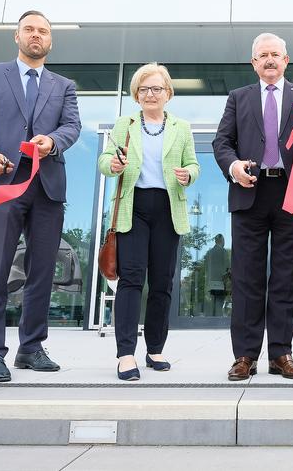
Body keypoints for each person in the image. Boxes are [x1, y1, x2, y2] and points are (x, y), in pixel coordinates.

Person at [0, 10, 81, 382]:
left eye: (43, 31)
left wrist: (54, 142)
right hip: (2, 185)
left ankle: (31, 347)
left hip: (47, 189)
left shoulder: (64, 85)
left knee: (41, 272)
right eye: (29, 29)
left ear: (50, 40)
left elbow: (71, 126)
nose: (36, 35)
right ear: (17, 36)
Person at [213, 32, 293, 381]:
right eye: (262, 55)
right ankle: (245, 355)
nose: (269, 60)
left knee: (287, 275)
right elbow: (222, 141)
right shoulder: (238, 98)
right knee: (246, 276)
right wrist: (233, 167)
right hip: (250, 191)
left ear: (286, 60)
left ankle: (281, 353)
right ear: (253, 62)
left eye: (275, 54)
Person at [98, 63, 199, 381]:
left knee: (162, 282)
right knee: (130, 279)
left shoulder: (181, 127)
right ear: (136, 94)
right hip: (134, 208)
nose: (150, 94)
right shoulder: (124, 124)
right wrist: (112, 164)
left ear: (168, 93)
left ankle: (155, 349)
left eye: (157, 88)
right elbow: (104, 161)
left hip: (168, 209)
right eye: (144, 89)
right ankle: (125, 354)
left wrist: (188, 174)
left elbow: (193, 164)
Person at [204, 234, 230, 316]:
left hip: (211, 283)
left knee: (212, 304)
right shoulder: (223, 252)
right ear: (222, 241)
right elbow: (227, 268)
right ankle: (218, 323)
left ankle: (211, 321)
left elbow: (206, 268)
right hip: (221, 283)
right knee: (219, 304)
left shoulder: (209, 252)